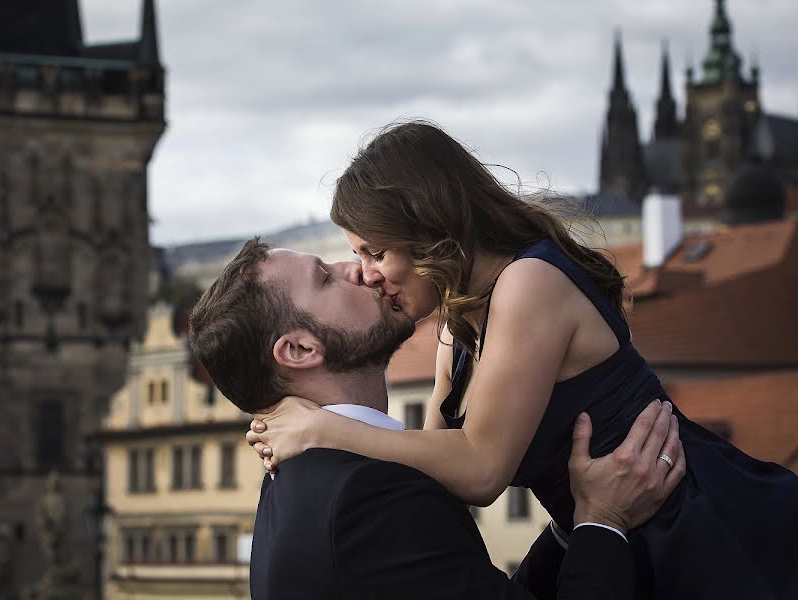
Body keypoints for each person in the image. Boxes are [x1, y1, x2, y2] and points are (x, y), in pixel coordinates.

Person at [247, 121, 798, 599]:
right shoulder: (456, 328)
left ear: (428, 226)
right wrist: (291, 427)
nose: (365, 271)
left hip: (699, 526)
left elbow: (482, 469)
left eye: (373, 251)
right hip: (627, 535)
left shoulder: (528, 282)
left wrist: (321, 430)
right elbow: (436, 474)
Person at [188, 239, 685, 600]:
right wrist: (603, 523)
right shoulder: (365, 498)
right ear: (299, 349)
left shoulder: (297, 485)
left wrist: (572, 524)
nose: (356, 269)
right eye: (325, 277)